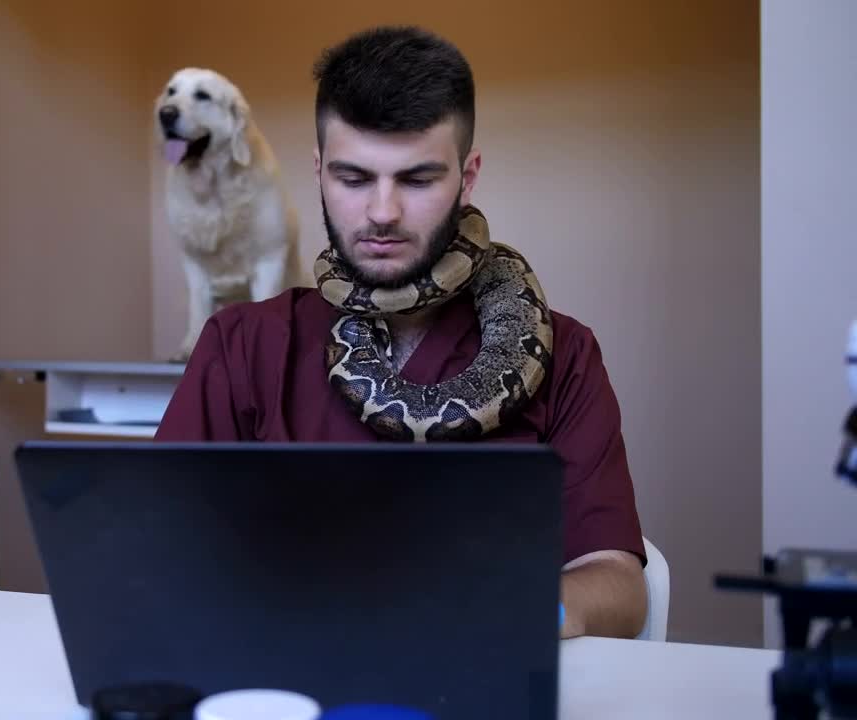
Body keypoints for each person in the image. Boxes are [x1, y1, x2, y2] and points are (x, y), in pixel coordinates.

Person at [155, 25, 648, 640]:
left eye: (417, 180)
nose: (382, 212)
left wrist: (512, 606)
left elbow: (618, 584)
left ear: (467, 178)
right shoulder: (244, 342)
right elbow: (158, 548)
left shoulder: (566, 353)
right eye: (354, 178)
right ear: (319, 173)